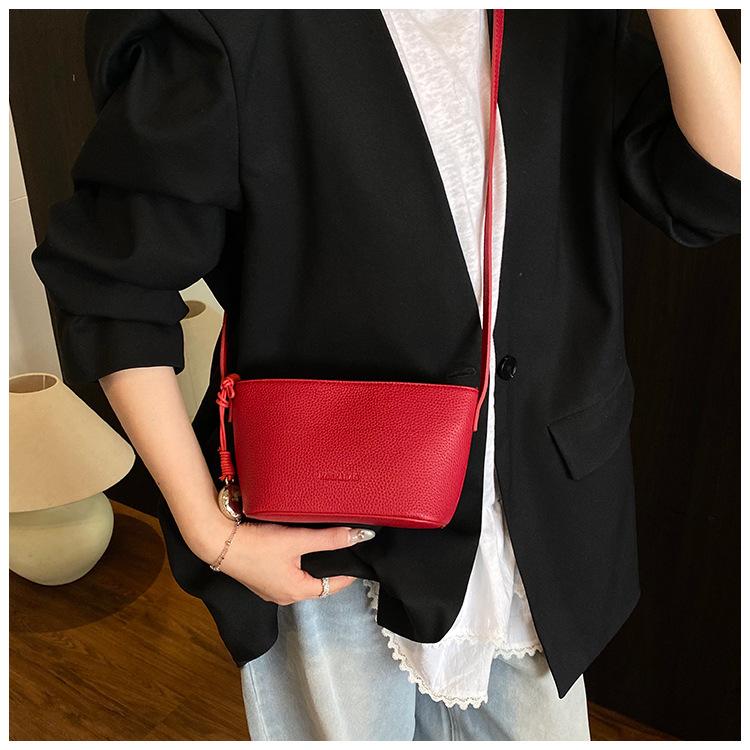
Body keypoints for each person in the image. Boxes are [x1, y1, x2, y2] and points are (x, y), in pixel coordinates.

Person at [31, 8, 740, 742]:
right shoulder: (240, 25)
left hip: (534, 524)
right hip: (333, 534)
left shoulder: (562, 20)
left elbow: (719, 186)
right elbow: (113, 284)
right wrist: (213, 536)